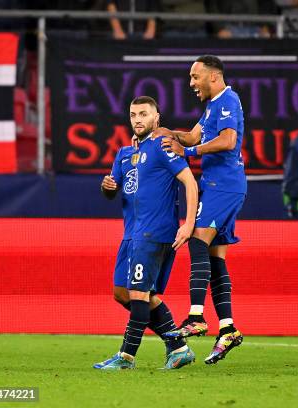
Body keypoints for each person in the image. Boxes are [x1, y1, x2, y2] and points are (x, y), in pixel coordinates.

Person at [94, 96, 199, 370]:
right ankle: (178, 347)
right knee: (123, 293)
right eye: (133, 114)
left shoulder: (163, 147)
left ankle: (126, 357)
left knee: (140, 294)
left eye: (143, 114)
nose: (138, 119)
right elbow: (111, 191)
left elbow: (189, 181)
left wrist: (188, 224)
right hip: (130, 234)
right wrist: (107, 186)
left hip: (154, 232)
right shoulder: (123, 154)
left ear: (156, 118)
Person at [153, 55, 246, 364]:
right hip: (220, 185)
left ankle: (196, 316)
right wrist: (169, 133)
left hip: (223, 185)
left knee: (195, 240)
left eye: (195, 77)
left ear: (213, 77)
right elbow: (193, 135)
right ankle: (228, 328)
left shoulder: (227, 100)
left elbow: (229, 140)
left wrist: (188, 151)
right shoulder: (212, 107)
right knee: (215, 257)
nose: (191, 83)